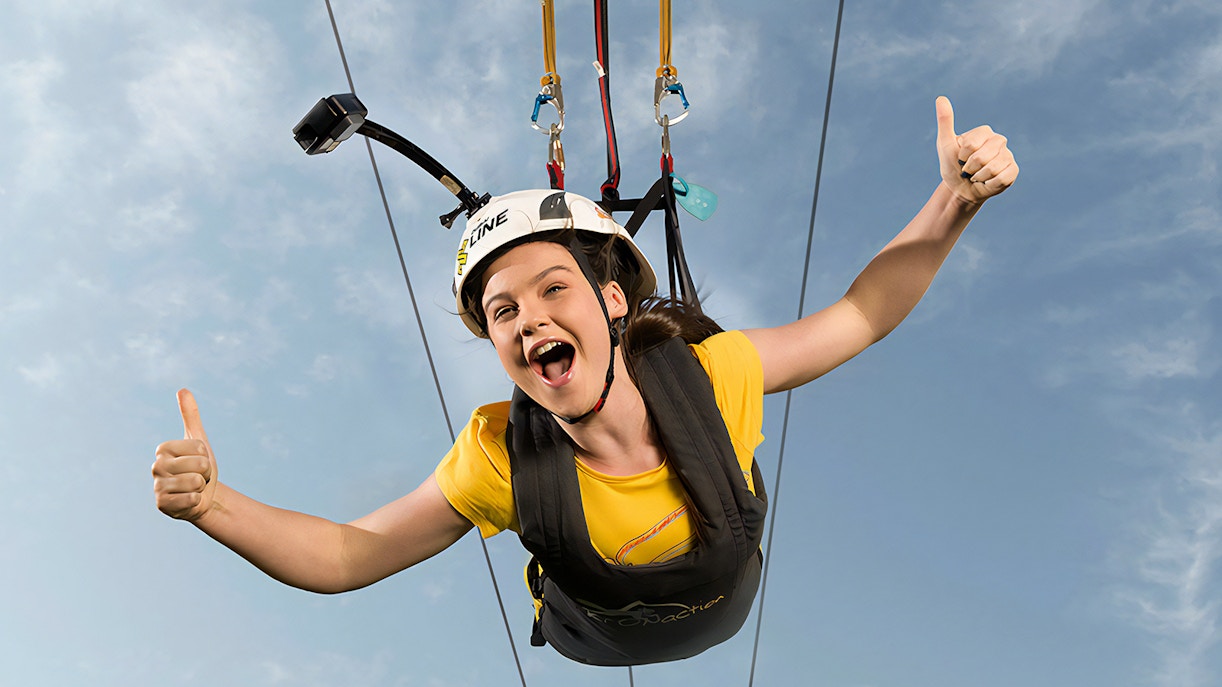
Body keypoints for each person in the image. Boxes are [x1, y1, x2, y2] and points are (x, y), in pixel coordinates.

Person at [152, 96, 1018, 665]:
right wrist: (213, 506)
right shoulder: (497, 454)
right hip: (588, 632)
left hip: (724, 595)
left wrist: (953, 202)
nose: (528, 319)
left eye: (552, 289)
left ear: (611, 302)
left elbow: (859, 315)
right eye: (501, 311)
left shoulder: (712, 377)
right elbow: (346, 555)